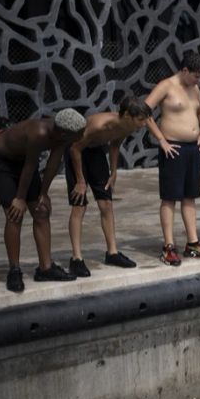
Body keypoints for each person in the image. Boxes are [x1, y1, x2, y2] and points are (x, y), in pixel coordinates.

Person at [0, 108, 87, 292]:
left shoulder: (62, 136)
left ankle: (45, 268)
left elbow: (53, 163)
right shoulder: (39, 133)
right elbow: (29, 167)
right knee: (15, 214)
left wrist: (43, 193)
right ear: (64, 132)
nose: (82, 136)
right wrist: (20, 198)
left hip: (22, 162)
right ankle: (14, 270)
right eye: (79, 134)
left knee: (41, 210)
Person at [144, 51, 200, 266]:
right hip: (173, 148)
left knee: (190, 196)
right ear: (185, 71)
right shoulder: (166, 86)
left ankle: (193, 243)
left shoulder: (194, 87)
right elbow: (144, 111)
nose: (199, 80)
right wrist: (161, 140)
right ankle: (168, 246)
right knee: (170, 197)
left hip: (192, 148)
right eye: (196, 76)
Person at [65, 96, 152, 276]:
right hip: (76, 153)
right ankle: (76, 258)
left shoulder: (127, 126)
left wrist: (113, 172)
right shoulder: (100, 125)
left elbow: (114, 146)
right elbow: (75, 148)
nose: (144, 124)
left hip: (95, 152)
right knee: (79, 205)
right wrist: (81, 181)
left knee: (106, 204)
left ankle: (112, 252)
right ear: (127, 115)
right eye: (141, 119)